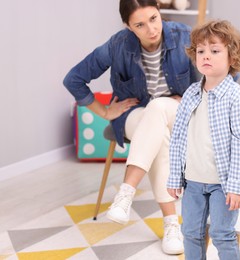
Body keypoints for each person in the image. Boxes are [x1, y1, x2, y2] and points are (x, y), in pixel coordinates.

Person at [63, 0, 198, 255]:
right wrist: (104, 111)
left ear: (159, 12)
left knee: (158, 108)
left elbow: (225, 73)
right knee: (158, 132)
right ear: (128, 26)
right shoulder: (118, 44)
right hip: (136, 115)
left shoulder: (185, 36)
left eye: (154, 19)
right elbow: (74, 79)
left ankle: (126, 192)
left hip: (179, 113)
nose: (151, 29)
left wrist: (191, 97)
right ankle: (171, 224)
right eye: (140, 24)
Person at [167, 19, 240, 259]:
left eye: (215, 51)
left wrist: (236, 187)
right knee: (191, 232)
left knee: (222, 234)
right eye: (201, 51)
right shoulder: (191, 94)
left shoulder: (237, 98)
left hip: (223, 184)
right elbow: (178, 139)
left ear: (232, 58)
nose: (206, 56)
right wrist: (175, 176)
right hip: (193, 181)